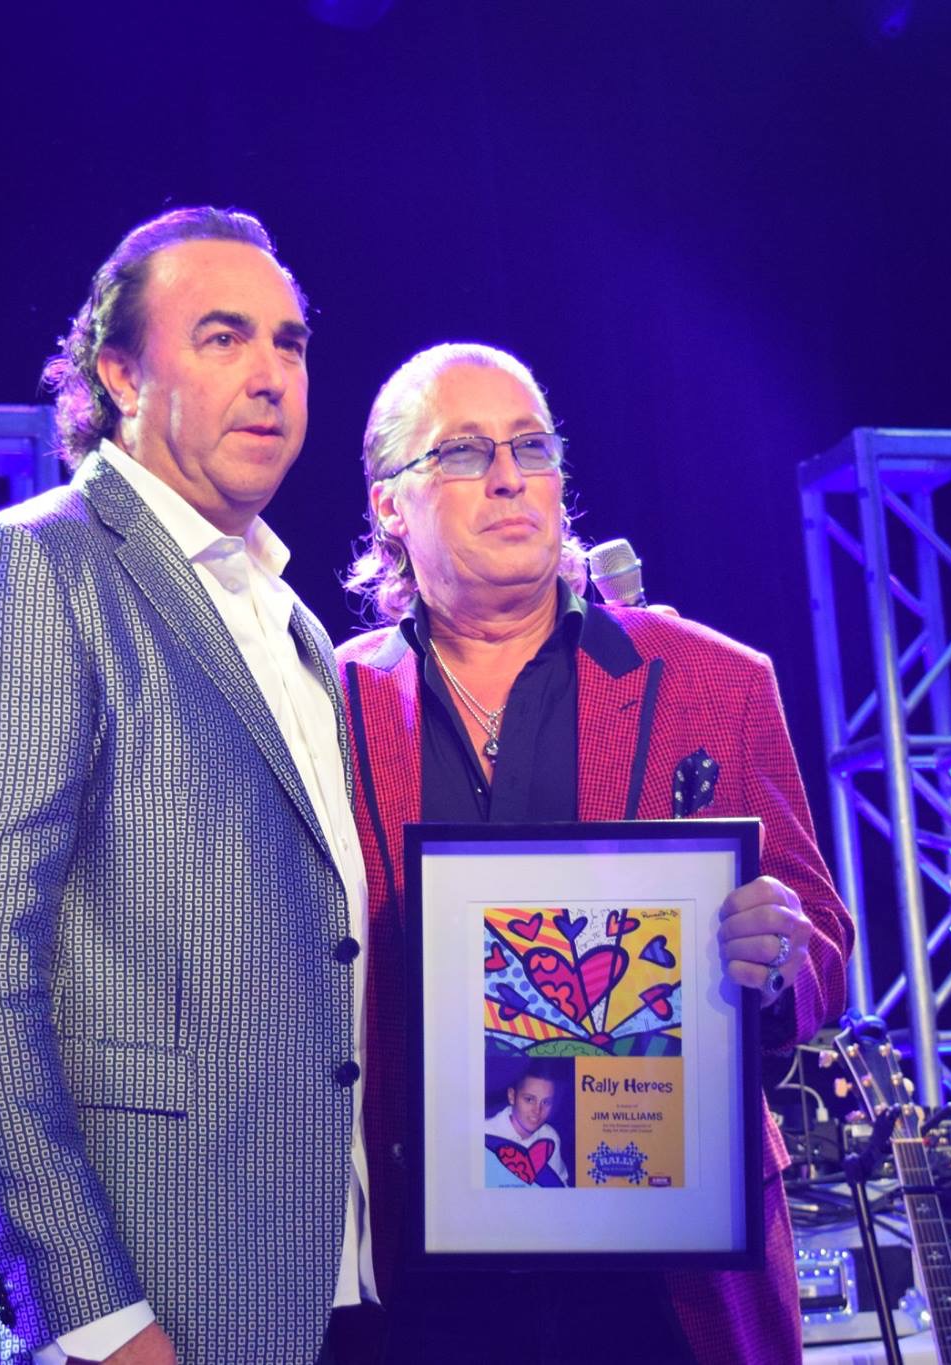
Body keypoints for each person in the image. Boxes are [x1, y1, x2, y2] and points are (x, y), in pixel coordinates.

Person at [0, 208, 372, 1365]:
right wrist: (85, 1315)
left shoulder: (292, 622)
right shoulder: (31, 569)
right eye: (223, 337)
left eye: (289, 343)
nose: (269, 374)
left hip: (316, 1293)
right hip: (134, 1310)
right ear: (120, 376)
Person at [335, 343, 853, 1362]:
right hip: (418, 1279)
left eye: (531, 446)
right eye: (463, 452)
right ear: (389, 504)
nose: (508, 476)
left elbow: (822, 942)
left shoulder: (716, 682)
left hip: (665, 1272)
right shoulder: (328, 703)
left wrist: (783, 951)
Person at [482, 1064, 571, 1187]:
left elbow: (559, 1186)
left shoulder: (549, 1136)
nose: (537, 1110)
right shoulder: (484, 1132)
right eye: (529, 1099)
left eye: (546, 1102)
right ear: (512, 1096)